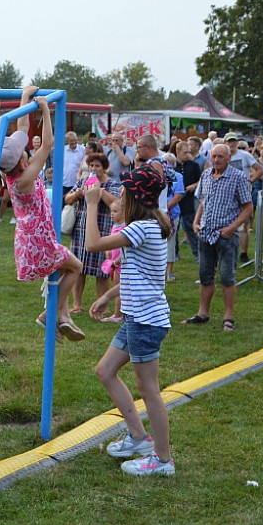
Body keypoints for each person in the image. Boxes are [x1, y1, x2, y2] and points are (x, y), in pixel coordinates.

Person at [85, 165, 175, 476]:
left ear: (134, 196)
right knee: (105, 370)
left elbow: (93, 246)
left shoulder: (141, 228)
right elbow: (139, 276)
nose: (119, 192)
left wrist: (92, 203)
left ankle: (162, 460)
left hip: (146, 321)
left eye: (124, 189)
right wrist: (108, 297)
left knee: (148, 389)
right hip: (140, 316)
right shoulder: (147, 225)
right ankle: (138, 437)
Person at [0, 85, 85, 340]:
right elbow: (48, 144)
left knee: (64, 271)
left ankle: (63, 316)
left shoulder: (9, 174)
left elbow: (21, 130)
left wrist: (25, 98)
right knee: (75, 267)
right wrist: (45, 111)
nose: (27, 147)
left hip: (32, 237)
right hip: (38, 240)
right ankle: (49, 315)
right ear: (19, 159)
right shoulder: (25, 178)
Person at [185, 144, 254, 331]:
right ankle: (203, 313)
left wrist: (232, 228)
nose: (216, 160)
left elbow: (248, 207)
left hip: (226, 235)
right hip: (206, 233)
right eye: (213, 156)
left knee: (227, 276)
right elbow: (202, 202)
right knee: (205, 275)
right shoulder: (206, 175)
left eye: (220, 157)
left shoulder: (238, 177)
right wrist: (196, 223)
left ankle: (228, 317)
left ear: (229, 157)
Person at [65, 154, 120, 314]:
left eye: (97, 166)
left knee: (101, 271)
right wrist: (76, 194)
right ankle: (76, 305)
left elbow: (116, 203)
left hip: (102, 230)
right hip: (81, 231)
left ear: (104, 167)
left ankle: (102, 305)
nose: (93, 169)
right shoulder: (82, 181)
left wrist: (100, 192)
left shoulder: (111, 184)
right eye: (91, 166)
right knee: (79, 268)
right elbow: (67, 199)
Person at [224, 134, 263, 263]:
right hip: (226, 193)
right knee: (226, 222)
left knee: (244, 224)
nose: (232, 144)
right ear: (225, 142)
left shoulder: (245, 155)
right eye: (230, 141)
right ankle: (227, 250)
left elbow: (259, 169)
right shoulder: (222, 155)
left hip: (242, 193)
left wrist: (250, 181)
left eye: (234, 141)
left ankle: (244, 253)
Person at [174, 141, 202, 261]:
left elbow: (201, 180)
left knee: (191, 226)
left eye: (189, 152)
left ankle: (197, 253)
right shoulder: (172, 166)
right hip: (175, 201)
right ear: (178, 152)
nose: (187, 155)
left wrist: (193, 186)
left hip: (189, 200)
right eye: (185, 152)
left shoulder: (193, 165)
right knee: (173, 229)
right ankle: (174, 254)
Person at [62, 131, 86, 196]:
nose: (74, 142)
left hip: (77, 183)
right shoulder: (63, 150)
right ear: (67, 141)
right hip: (65, 182)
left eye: (75, 140)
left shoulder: (83, 150)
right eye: (71, 140)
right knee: (63, 203)